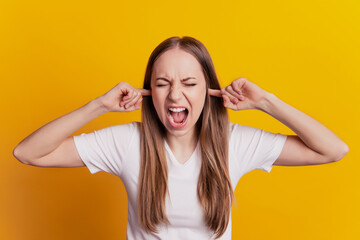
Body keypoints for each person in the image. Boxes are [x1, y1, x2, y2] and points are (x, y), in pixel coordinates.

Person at [13, 36, 349, 240]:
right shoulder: (128, 142)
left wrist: (265, 102)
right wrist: (97, 106)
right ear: (149, 93)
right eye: (162, 84)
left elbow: (333, 149)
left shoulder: (235, 143)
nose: (175, 95)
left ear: (209, 89)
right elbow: (28, 153)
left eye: (189, 83)